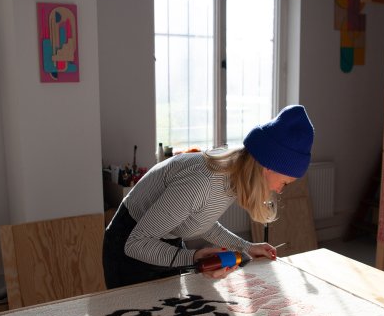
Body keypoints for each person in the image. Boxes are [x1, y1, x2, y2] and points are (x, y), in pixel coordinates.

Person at [102, 104, 314, 288]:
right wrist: (194, 258)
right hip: (129, 246)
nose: (280, 190)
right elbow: (136, 244)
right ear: (268, 166)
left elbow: (201, 221)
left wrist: (247, 247)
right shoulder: (203, 181)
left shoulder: (233, 177)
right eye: (284, 182)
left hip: (163, 241)